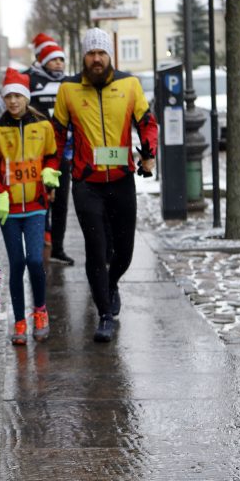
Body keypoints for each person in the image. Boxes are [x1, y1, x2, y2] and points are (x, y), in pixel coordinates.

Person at [52, 27, 158, 343]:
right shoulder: (68, 89)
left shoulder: (129, 84)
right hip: (86, 183)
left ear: (109, 55)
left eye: (101, 53)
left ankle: (111, 285)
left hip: (122, 180)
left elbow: (147, 123)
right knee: (96, 250)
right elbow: (56, 134)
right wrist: (52, 173)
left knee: (124, 250)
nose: (96, 59)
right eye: (91, 53)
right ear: (83, 56)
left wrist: (148, 155)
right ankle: (104, 314)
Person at [0, 68, 60, 345]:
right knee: (16, 264)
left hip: (37, 206)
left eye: (18, 95)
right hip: (9, 211)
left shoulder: (44, 127)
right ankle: (19, 320)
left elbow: (52, 156)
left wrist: (50, 173)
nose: (13, 101)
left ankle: (40, 310)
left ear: (26, 98)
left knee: (35, 261)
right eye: (8, 96)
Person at [26, 33, 75, 267]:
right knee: (40, 201)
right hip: (37, 154)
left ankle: (58, 247)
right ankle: (39, 247)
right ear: (43, 60)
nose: (58, 64)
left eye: (61, 60)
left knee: (61, 203)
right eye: (54, 59)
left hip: (62, 153)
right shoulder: (30, 80)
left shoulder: (69, 82)